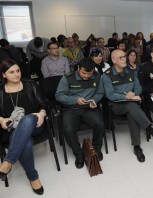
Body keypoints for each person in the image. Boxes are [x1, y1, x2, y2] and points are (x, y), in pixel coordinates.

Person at [102, 49, 153, 163]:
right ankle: (150, 130)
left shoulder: (131, 71)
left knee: (132, 110)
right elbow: (110, 95)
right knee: (131, 106)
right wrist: (125, 96)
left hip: (132, 103)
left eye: (124, 56)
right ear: (113, 60)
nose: (124, 59)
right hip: (117, 106)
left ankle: (137, 147)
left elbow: (138, 87)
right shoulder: (107, 75)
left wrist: (134, 94)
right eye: (121, 57)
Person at [0, 58, 46, 195]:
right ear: (3, 75)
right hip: (11, 129)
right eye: (11, 72)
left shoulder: (31, 84)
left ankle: (8, 162)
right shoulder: (0, 91)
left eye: (18, 70)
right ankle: (33, 177)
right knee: (24, 142)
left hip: (34, 125)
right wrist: (2, 120)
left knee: (26, 119)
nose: (16, 74)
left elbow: (43, 104)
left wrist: (42, 114)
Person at [55, 58, 105, 169]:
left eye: (89, 73)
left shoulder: (97, 77)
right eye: (84, 73)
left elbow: (100, 92)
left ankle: (96, 148)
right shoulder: (67, 78)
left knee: (100, 123)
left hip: (88, 107)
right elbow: (59, 96)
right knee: (68, 130)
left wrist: (94, 100)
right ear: (78, 68)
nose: (87, 76)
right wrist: (75, 100)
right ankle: (79, 154)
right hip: (70, 109)